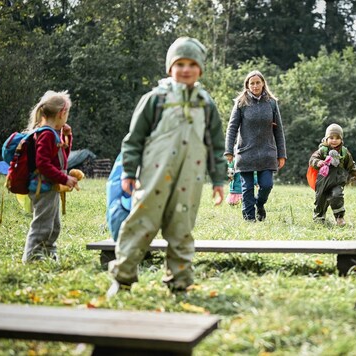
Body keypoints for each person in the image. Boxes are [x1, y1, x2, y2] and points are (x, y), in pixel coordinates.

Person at [107, 37, 226, 296]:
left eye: (192, 64)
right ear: (169, 67)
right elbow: (133, 139)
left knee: (182, 230)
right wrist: (128, 171)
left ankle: (180, 283)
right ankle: (123, 278)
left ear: (201, 69)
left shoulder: (205, 104)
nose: (185, 69)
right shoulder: (155, 100)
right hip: (153, 178)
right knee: (140, 225)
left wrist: (218, 180)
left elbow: (216, 146)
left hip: (189, 180)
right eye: (179, 63)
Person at [224, 70, 287, 221]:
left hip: (267, 153)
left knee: (267, 185)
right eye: (252, 83)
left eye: (258, 82)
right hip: (246, 153)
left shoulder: (271, 103)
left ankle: (260, 204)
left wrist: (281, 154)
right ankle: (249, 220)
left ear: (263, 83)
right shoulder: (240, 103)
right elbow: (232, 127)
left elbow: (278, 130)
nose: (255, 85)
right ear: (247, 85)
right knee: (247, 189)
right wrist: (228, 151)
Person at [22, 90, 77, 262]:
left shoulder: (52, 133)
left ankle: (48, 256)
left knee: (53, 226)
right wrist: (65, 179)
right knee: (41, 226)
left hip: (49, 186)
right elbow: (43, 164)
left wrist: (67, 136)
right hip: (42, 187)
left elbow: (62, 160)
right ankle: (30, 259)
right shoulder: (45, 134)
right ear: (62, 113)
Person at [308, 123, 356, 226]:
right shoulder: (322, 150)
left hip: (337, 181)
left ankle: (339, 218)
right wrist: (318, 162)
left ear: (341, 139)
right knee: (320, 200)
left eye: (337, 138)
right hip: (323, 181)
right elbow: (312, 159)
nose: (334, 140)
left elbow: (351, 165)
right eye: (331, 137)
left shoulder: (344, 152)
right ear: (326, 138)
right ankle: (319, 219)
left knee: (337, 196)